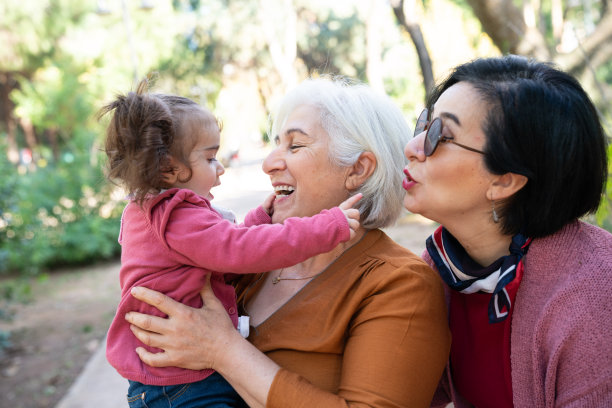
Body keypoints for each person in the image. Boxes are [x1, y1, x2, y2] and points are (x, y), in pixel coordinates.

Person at [123, 76, 452, 407]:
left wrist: (222, 349)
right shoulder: (251, 266)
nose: (268, 164)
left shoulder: (399, 284)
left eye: (295, 146)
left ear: (358, 169)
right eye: (275, 144)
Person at [100, 79, 365, 407]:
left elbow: (221, 246)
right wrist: (326, 227)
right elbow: (240, 250)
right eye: (210, 159)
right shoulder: (175, 214)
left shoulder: (153, 211)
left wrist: (260, 218)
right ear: (169, 169)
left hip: (175, 380)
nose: (221, 169)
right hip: (181, 388)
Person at [402, 55, 612, 407]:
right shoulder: (445, 266)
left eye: (440, 135)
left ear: (504, 181)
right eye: (424, 124)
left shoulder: (595, 297)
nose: (412, 148)